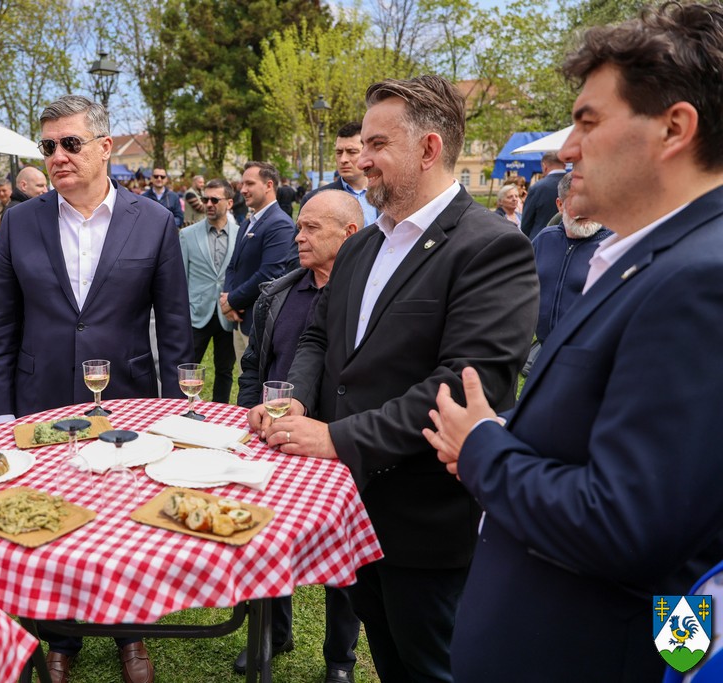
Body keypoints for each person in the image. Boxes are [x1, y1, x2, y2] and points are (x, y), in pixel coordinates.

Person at [422, 4, 723, 680]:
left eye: (588, 121)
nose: (566, 150)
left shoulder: (701, 278)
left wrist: (484, 448)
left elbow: (628, 525)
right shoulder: (658, 256)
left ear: (674, 128)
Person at [249, 75, 539, 682]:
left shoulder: (490, 247)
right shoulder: (361, 246)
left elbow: (463, 388)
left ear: (429, 149)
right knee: (386, 657)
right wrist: (296, 399)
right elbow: (318, 337)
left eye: (377, 145)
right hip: (350, 511)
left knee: (434, 667)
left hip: (425, 522)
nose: (361, 160)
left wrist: (336, 438)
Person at [0, 94, 192, 683]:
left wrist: (176, 414)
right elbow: (0, 326)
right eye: (48, 146)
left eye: (70, 143)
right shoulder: (20, 221)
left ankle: (130, 633)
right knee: (47, 518)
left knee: (123, 518)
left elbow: (174, 327)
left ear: (104, 147)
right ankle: (60, 637)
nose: (58, 155)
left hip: (127, 397)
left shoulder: (154, 221)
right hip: (40, 396)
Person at [236, 189, 363, 683]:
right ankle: (274, 632)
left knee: (342, 553)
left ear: (349, 234)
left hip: (340, 440)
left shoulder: (369, 299)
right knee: (268, 534)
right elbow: (254, 364)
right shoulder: (277, 293)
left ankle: (340, 660)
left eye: (311, 228)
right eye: (298, 227)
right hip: (276, 438)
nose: (298, 237)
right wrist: (248, 413)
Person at [221, 161, 298, 368]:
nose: (242, 190)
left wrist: (232, 300)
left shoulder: (280, 224)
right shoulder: (247, 223)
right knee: (243, 379)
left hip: (258, 324)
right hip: (240, 320)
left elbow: (269, 274)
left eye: (250, 183)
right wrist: (227, 298)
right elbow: (233, 265)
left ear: (268, 185)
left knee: (255, 382)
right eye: (242, 184)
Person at [530, 171, 612, 346]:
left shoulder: (613, 245)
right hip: (546, 347)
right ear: (560, 205)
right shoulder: (544, 239)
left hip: (592, 350)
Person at [179, 179, 238, 403]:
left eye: (215, 199)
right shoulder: (187, 235)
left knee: (225, 370)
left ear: (229, 203)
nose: (209, 204)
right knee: (187, 370)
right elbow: (180, 279)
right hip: (196, 314)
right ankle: (185, 411)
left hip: (227, 314)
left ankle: (220, 411)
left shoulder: (241, 234)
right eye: (205, 199)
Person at [300, 121, 380, 226]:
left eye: (351, 152)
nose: (343, 159)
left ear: (368, 152)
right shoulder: (314, 199)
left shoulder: (388, 194)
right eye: (339, 152)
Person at [520, 150, 567, 238]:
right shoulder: (576, 184)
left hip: (540, 238)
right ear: (564, 165)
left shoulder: (537, 187)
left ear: (544, 166)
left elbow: (525, 224)